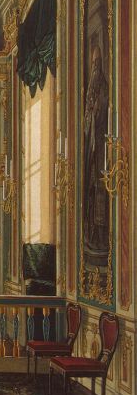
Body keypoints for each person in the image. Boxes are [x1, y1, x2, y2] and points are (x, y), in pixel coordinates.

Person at [83, 44, 109, 253]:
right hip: (91, 144)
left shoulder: (103, 85)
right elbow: (87, 114)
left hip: (101, 143)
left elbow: (101, 111)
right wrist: (89, 113)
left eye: (97, 63)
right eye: (93, 64)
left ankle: (101, 235)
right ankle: (92, 231)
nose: (95, 67)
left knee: (100, 190)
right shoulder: (91, 86)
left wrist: (94, 112)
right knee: (91, 189)